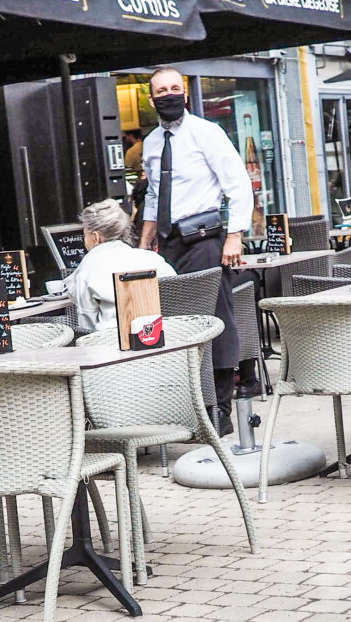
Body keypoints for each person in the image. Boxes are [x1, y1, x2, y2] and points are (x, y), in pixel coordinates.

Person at [139, 67, 252, 436]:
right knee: (177, 327)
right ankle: (193, 407)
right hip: (168, 246)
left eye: (175, 88)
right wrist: (143, 244)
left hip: (205, 241)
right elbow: (155, 196)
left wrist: (234, 237)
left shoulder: (207, 133)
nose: (168, 94)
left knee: (215, 321)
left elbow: (237, 185)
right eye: (161, 90)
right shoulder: (153, 143)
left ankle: (220, 411)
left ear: (185, 94)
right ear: (151, 98)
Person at [67, 199, 175, 332]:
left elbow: (87, 325)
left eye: (85, 235)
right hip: (164, 339)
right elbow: (175, 296)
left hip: (110, 345)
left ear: (96, 237)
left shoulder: (88, 268)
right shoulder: (153, 259)